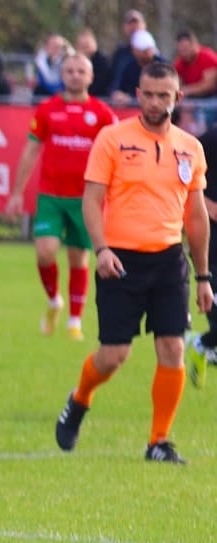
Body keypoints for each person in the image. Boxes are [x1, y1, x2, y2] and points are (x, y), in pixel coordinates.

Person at [54, 62, 212, 465]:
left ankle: (158, 441)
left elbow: (195, 217)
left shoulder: (190, 147)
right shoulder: (113, 138)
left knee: (173, 347)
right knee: (113, 356)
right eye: (148, 94)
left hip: (169, 261)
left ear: (178, 99)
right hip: (119, 260)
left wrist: (204, 277)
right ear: (138, 94)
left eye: (164, 95)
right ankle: (79, 398)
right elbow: (91, 200)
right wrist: (102, 249)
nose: (155, 102)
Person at [6, 52, 118, 341]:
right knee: (45, 251)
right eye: (69, 70)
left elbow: (117, 156)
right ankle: (54, 300)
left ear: (91, 76)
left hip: (87, 198)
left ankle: (74, 321)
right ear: (62, 75)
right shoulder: (47, 109)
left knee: (78, 258)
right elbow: (31, 150)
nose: (75, 75)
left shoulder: (103, 114)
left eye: (81, 70)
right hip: (51, 195)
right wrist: (17, 192)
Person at [186, 123, 217, 385]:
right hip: (211, 248)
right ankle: (201, 344)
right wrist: (207, 205)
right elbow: (183, 178)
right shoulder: (208, 140)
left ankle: (207, 348)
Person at [110, 29, 165, 106]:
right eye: (143, 50)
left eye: (148, 49)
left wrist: (132, 99)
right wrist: (117, 94)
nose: (146, 53)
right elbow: (116, 86)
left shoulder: (163, 66)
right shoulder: (127, 65)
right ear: (134, 50)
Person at [174, 30, 217, 99]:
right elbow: (175, 81)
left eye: (185, 49)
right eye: (180, 50)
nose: (183, 53)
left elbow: (209, 86)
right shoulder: (180, 62)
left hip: (212, 97)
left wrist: (186, 90)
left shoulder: (208, 56)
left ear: (194, 44)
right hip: (194, 98)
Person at [109, 9, 147, 80]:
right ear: (124, 27)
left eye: (136, 23)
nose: (133, 26)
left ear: (144, 25)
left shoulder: (151, 52)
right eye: (130, 23)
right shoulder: (120, 53)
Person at [75, 27, 112, 98]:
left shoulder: (103, 62)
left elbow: (100, 84)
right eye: (82, 45)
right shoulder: (74, 62)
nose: (84, 49)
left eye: (86, 45)